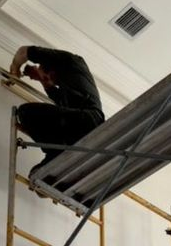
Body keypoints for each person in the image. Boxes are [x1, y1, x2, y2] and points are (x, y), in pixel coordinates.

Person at [9, 45, 105, 176]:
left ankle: (53, 156)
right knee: (39, 170)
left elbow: (23, 51)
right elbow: (58, 101)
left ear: (51, 71)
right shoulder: (71, 91)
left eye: (48, 78)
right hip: (82, 128)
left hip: (89, 120)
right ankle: (52, 166)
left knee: (25, 112)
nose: (53, 83)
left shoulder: (70, 61)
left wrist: (15, 69)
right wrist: (42, 79)